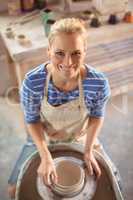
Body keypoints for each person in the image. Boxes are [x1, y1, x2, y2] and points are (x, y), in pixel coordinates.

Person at [8, 18, 110, 199]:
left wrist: (87, 150)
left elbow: (96, 116)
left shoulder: (98, 82)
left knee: (109, 183)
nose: (68, 62)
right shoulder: (33, 82)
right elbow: (32, 120)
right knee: (14, 190)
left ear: (85, 51)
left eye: (76, 53)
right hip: (44, 138)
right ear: (48, 51)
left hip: (81, 137)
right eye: (59, 53)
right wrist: (45, 156)